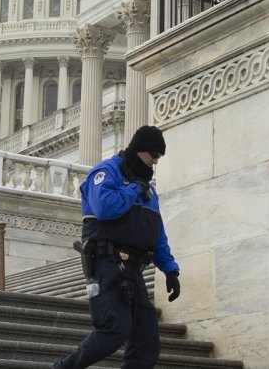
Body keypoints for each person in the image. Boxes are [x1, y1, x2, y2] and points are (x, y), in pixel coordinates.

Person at [52, 125, 181, 369]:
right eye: (153, 155)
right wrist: (133, 189)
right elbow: (104, 208)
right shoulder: (106, 171)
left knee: (147, 340)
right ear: (139, 150)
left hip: (133, 269)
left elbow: (157, 233)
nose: (155, 162)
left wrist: (170, 269)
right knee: (115, 327)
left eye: (158, 158)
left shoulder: (148, 190)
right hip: (106, 262)